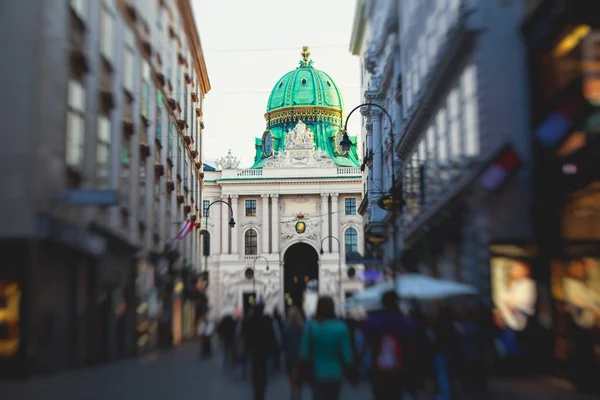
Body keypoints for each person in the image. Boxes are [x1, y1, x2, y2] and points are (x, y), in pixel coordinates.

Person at [361, 290, 415, 400]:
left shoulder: (374, 320)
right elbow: (411, 340)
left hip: (378, 363)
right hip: (398, 364)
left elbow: (366, 338)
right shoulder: (404, 321)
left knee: (380, 393)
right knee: (395, 393)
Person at [300, 296, 353, 400]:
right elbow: (347, 355)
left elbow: (303, 353)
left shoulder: (310, 327)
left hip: (316, 373)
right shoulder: (342, 327)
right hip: (336, 373)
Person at [245, 303, 276, 400]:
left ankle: (256, 391)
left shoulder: (250, 320)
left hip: (254, 350)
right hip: (264, 350)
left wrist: (247, 349)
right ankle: (262, 390)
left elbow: (247, 336)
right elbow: (271, 335)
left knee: (255, 369)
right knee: (263, 369)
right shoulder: (267, 320)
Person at [283, 306, 305, 400]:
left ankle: (293, 391)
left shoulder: (287, 328)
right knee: (299, 376)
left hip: (290, 356)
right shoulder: (302, 327)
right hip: (300, 356)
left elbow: (284, 343)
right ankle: (298, 392)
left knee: (291, 375)